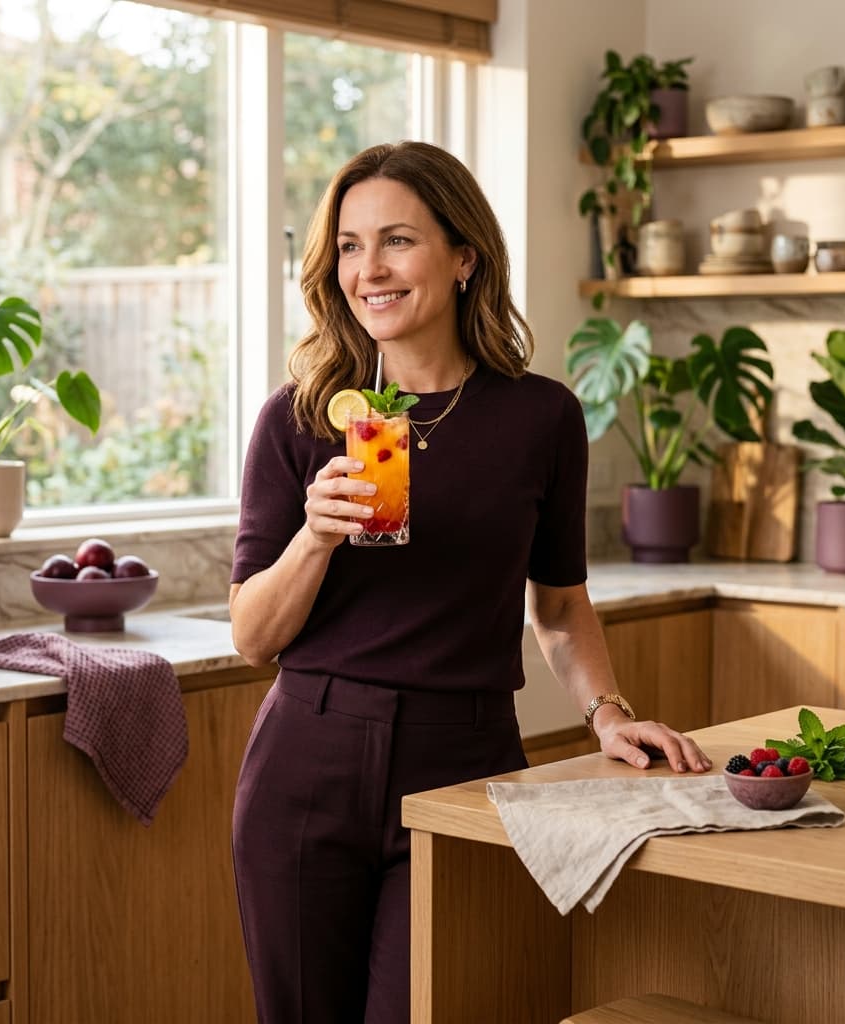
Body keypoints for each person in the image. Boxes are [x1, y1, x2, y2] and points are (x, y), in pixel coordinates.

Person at [228, 140, 712, 1024]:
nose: (368, 269)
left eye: (397, 241)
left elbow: (560, 604)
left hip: (468, 759)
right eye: (348, 245)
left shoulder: (541, 417)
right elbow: (253, 637)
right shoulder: (301, 419)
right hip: (309, 757)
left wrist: (608, 714)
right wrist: (314, 537)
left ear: (463, 256)